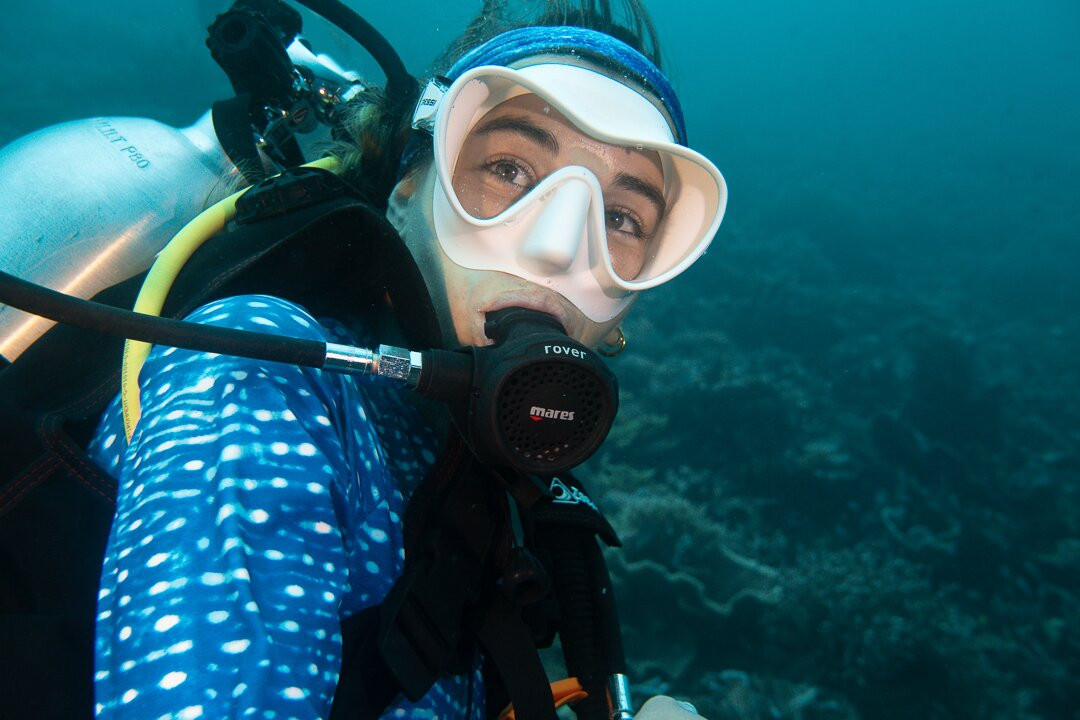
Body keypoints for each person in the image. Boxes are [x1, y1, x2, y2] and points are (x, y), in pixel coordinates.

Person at [2, 1, 726, 719]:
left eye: (621, 218)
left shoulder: (474, 447)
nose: (560, 248)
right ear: (408, 186)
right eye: (508, 169)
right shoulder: (265, 376)